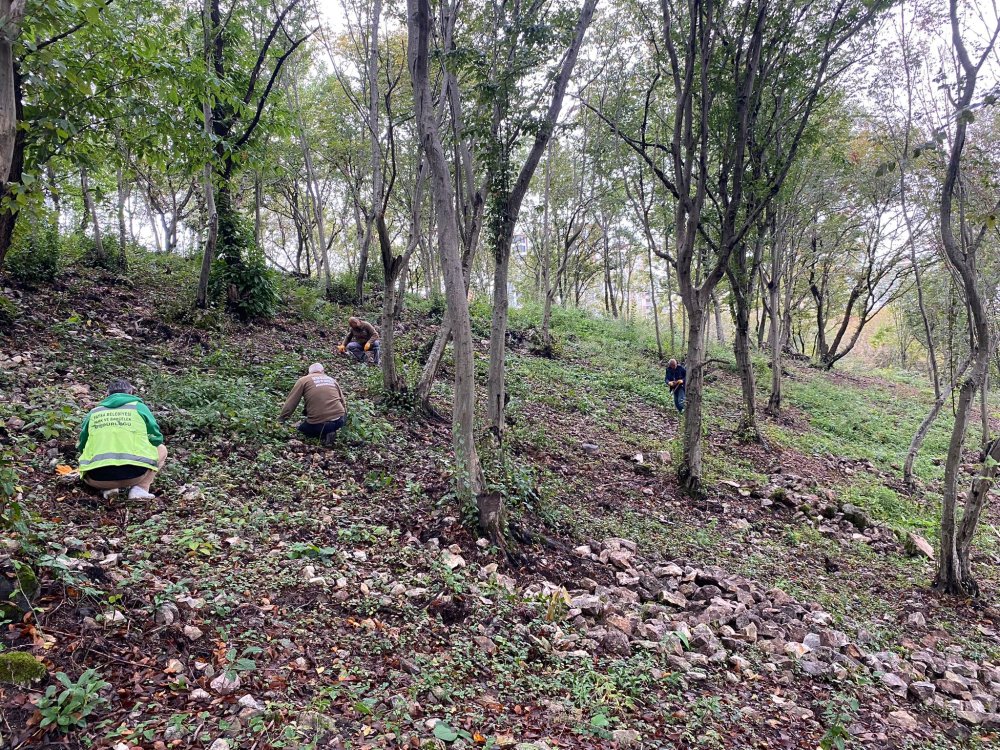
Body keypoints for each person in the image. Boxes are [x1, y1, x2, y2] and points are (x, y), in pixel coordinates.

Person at [77, 379, 167, 500]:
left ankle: (108, 489)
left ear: (107, 395)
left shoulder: (94, 412)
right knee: (161, 449)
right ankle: (140, 489)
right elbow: (156, 439)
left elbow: (82, 446)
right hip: (135, 476)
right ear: (131, 392)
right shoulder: (138, 408)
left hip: (96, 479)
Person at [279, 363, 348, 446]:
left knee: (301, 430)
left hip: (318, 425)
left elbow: (291, 403)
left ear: (309, 372)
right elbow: (343, 402)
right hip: (339, 421)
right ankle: (330, 431)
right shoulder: (332, 380)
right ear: (322, 371)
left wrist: (281, 420)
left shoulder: (303, 380)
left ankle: (324, 433)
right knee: (333, 420)